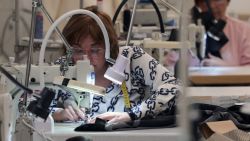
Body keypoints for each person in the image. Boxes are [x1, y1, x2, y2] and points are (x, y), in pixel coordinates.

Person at [52, 6, 181, 123]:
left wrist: (131, 115)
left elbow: (174, 89)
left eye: (95, 50)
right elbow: (32, 104)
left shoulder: (131, 59)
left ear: (109, 46)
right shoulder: (63, 68)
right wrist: (57, 114)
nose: (86, 59)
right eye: (78, 50)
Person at [196, 0, 250, 66]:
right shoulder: (191, 29)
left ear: (228, 2)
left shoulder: (243, 30)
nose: (212, 6)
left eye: (217, 0)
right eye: (206, 1)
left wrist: (228, 69)